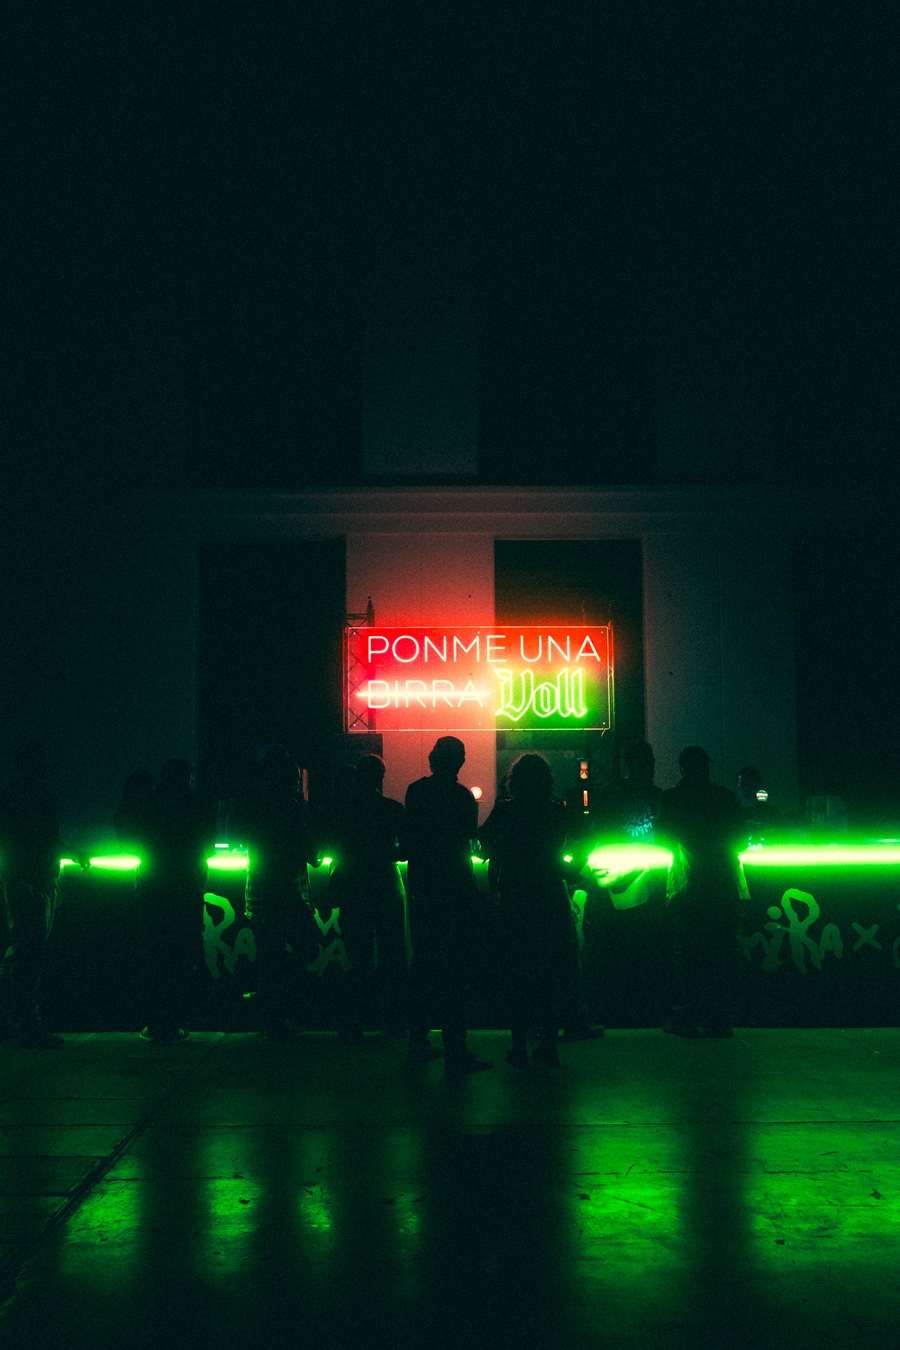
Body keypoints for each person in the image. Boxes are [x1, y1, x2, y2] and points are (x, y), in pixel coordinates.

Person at [479, 753, 580, 1068]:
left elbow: (483, 844)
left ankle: (518, 1046)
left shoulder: (506, 809)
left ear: (515, 780)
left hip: (515, 894)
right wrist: (568, 869)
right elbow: (582, 841)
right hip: (550, 893)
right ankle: (549, 1045)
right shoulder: (555, 810)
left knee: (517, 972)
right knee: (551, 972)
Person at [402, 735, 491, 1076]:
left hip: (423, 891)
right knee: (455, 974)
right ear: (460, 762)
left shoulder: (415, 792)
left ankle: (417, 1042)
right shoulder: (462, 797)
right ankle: (456, 1051)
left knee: (423, 969)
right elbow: (468, 843)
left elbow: (409, 840)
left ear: (432, 758)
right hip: (454, 892)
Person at [654, 746, 747, 1039]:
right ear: (705, 766)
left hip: (687, 886)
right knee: (721, 953)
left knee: (688, 954)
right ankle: (719, 1019)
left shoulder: (671, 799)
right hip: (723, 886)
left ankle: (686, 1018)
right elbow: (742, 840)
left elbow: (660, 837)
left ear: (682, 768)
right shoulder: (725, 798)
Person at [0, 738, 85, 1048]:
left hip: (33, 881)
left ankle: (15, 1021)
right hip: (33, 883)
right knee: (29, 954)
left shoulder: (17, 795)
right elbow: (22, 840)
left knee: (22, 953)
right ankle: (27, 1024)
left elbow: (36, 839)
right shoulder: (30, 795)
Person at [321, 755, 407, 1043]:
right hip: (385, 885)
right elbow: (404, 851)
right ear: (381, 776)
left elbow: (328, 844)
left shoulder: (341, 810)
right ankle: (393, 1022)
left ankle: (355, 1024)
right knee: (391, 957)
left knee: (358, 958)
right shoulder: (393, 809)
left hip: (352, 886)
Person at [244, 745, 320, 1042]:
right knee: (305, 950)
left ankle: (271, 1020)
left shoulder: (254, 806)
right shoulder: (292, 807)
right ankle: (289, 1012)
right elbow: (310, 853)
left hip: (259, 894)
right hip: (290, 894)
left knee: (268, 959)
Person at [133, 758, 211, 1045]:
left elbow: (131, 834)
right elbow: (206, 841)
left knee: (156, 954)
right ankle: (177, 1018)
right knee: (182, 954)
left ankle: (157, 1022)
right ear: (186, 777)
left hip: (154, 889)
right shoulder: (195, 804)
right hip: (187, 888)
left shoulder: (149, 802)